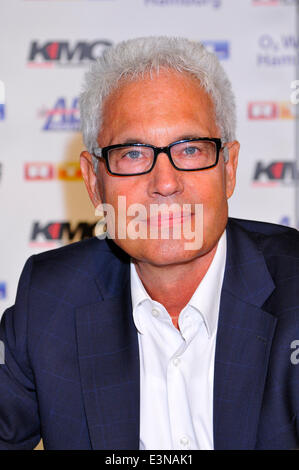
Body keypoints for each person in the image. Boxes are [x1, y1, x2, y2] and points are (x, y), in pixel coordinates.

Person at [1, 36, 299, 451]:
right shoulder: (51, 299)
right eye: (133, 154)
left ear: (228, 168)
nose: (165, 183)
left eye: (191, 149)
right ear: (93, 181)